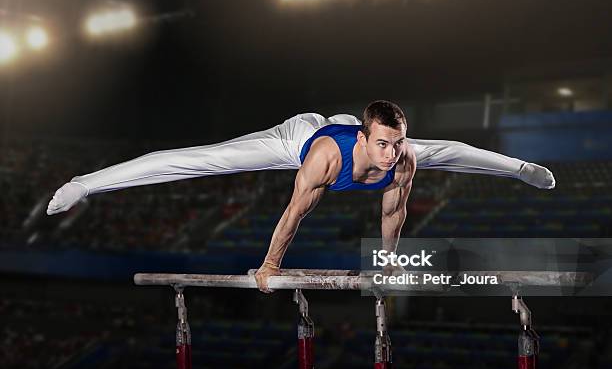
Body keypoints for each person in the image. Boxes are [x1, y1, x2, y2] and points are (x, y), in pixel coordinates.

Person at [46, 100, 555, 292]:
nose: (391, 152)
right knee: (201, 159)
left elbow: (393, 214)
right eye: (382, 143)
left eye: (397, 142)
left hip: (345, 140)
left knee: (453, 151)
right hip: (302, 139)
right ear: (364, 136)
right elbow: (293, 214)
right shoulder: (326, 160)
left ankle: (523, 168)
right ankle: (85, 184)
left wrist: (389, 264)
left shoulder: (400, 154)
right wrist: (270, 267)